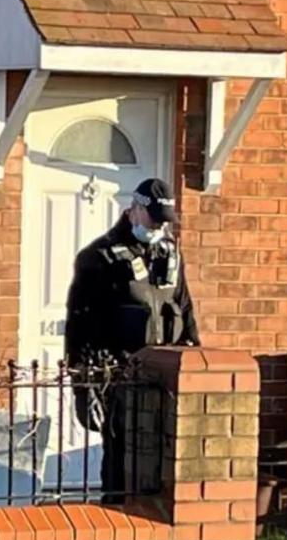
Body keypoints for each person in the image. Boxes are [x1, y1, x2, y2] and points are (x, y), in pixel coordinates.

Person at [64, 177, 200, 503]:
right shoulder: (99, 257)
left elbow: (184, 308)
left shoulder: (170, 254)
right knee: (120, 459)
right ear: (135, 210)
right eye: (153, 220)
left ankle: (153, 518)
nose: (158, 228)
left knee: (161, 458)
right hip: (120, 376)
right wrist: (85, 386)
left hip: (163, 377)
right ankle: (115, 517)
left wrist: (196, 356)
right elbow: (79, 326)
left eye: (164, 223)